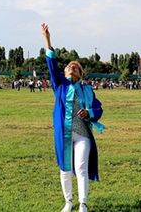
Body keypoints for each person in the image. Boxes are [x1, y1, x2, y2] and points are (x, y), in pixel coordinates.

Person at [41, 23, 104, 212]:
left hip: (83, 134)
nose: (72, 68)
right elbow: (52, 66)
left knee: (81, 168)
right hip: (64, 134)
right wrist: (48, 40)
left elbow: (98, 108)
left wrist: (88, 113)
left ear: (80, 73)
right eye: (69, 66)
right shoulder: (59, 85)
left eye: (75, 67)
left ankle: (83, 204)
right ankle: (68, 202)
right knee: (65, 169)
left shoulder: (86, 90)